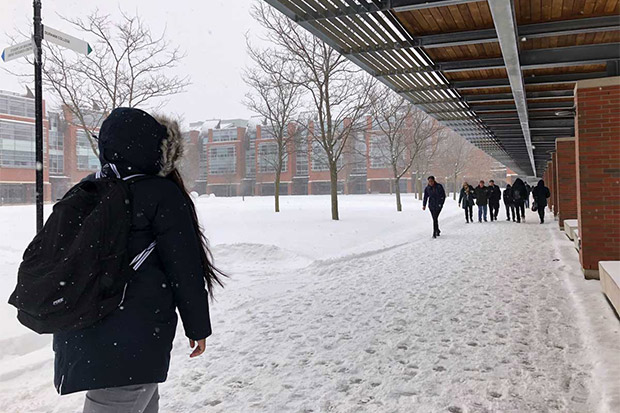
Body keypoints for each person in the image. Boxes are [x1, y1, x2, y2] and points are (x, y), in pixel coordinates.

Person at [52, 108, 225, 413]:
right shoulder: (161, 195)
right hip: (136, 335)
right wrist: (197, 327)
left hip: (85, 328)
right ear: (158, 149)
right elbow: (184, 268)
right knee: (125, 396)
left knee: (138, 399)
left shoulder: (87, 189)